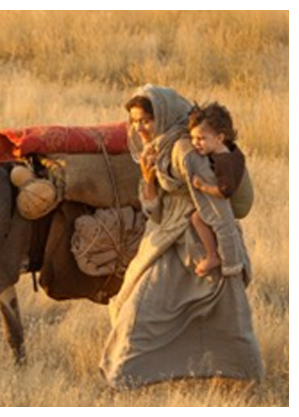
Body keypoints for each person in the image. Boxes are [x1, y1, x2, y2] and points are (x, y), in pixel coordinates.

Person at [99, 85, 263, 390]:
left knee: (227, 319)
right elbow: (155, 211)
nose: (140, 128)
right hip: (164, 239)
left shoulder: (184, 152)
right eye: (134, 122)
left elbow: (216, 209)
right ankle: (125, 381)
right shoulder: (155, 150)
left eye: (145, 120)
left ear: (162, 116)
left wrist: (230, 261)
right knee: (135, 309)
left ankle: (247, 380)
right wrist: (149, 181)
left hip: (201, 243)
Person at [186, 102, 251, 276]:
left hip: (234, 203)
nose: (195, 143)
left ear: (220, 138)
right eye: (192, 138)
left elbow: (224, 192)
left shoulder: (223, 161)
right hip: (237, 198)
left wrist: (203, 186)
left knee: (197, 218)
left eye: (201, 138)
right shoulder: (229, 150)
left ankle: (213, 256)